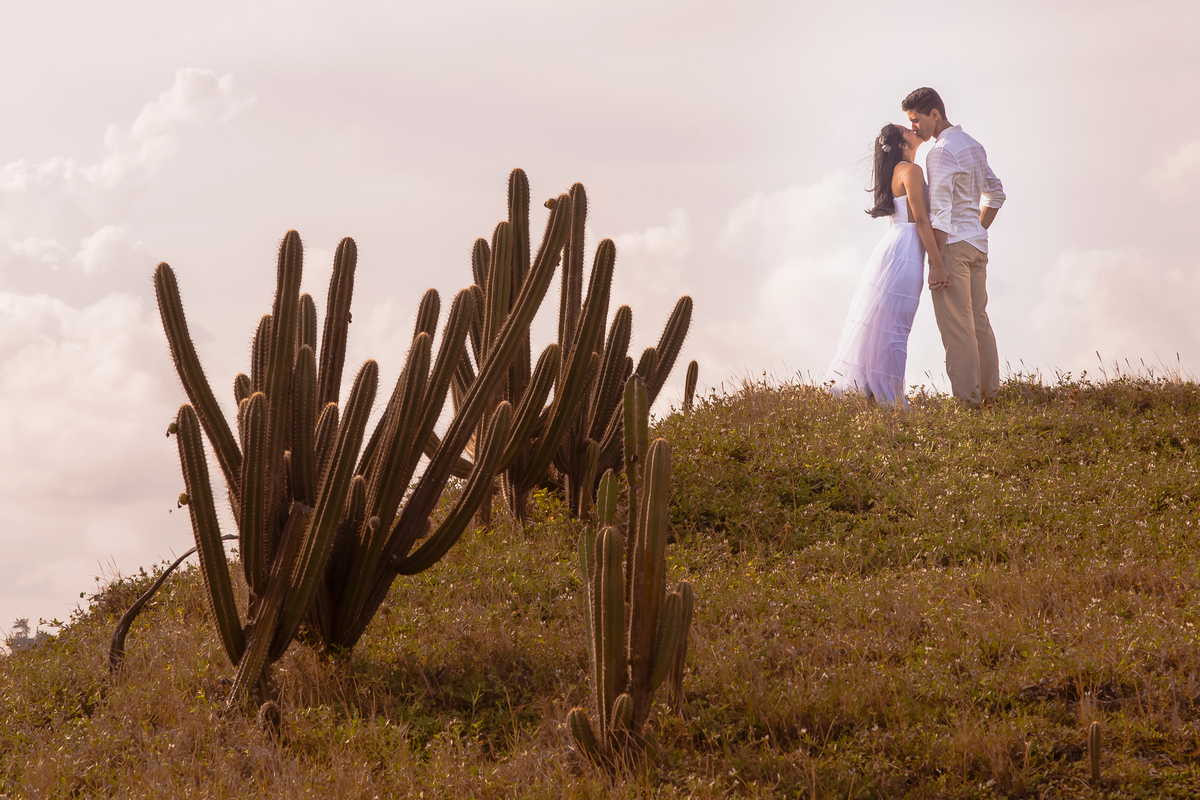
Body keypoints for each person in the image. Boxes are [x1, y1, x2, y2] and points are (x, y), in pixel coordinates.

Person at [827, 123, 945, 407]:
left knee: (887, 325)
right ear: (903, 144)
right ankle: (890, 397)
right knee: (895, 328)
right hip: (905, 250)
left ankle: (877, 391)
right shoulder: (912, 171)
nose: (914, 128)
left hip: (895, 247)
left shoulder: (899, 172)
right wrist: (937, 264)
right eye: (908, 129)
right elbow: (920, 220)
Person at [903, 87, 1005, 407]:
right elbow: (996, 194)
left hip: (953, 249)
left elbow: (941, 213)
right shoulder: (972, 144)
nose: (914, 127)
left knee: (957, 328)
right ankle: (989, 396)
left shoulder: (940, 152)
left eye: (916, 120)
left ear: (935, 114)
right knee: (978, 321)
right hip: (976, 246)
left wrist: (937, 264)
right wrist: (976, 228)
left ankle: (968, 403)